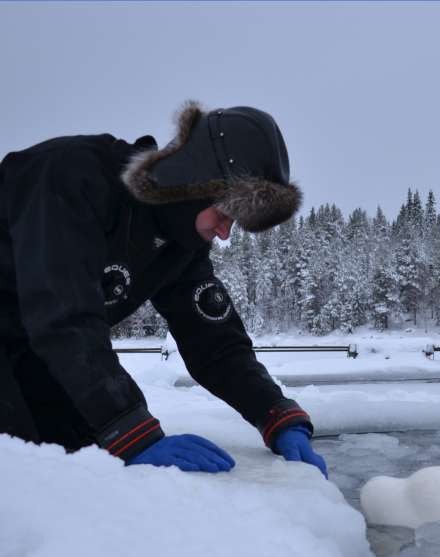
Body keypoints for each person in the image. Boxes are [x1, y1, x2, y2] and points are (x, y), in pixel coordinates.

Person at [0, 101, 327, 477]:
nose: (224, 232)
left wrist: (275, 413)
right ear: (193, 183)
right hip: (24, 347)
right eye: (223, 213)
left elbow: (215, 343)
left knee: (85, 465)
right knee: (24, 472)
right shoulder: (73, 177)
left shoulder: (179, 242)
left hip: (33, 357)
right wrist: (133, 432)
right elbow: (64, 318)